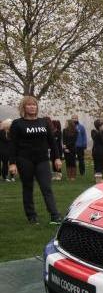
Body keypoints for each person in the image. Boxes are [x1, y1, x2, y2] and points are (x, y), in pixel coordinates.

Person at [8, 96, 62, 224]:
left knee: (46, 187)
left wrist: (57, 158)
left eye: (34, 105)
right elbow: (13, 145)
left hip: (42, 159)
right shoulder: (17, 123)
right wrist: (12, 163)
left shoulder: (43, 122)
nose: (32, 107)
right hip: (24, 160)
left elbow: (52, 142)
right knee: (28, 187)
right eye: (29, 105)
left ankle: (55, 215)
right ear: (24, 107)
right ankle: (31, 216)